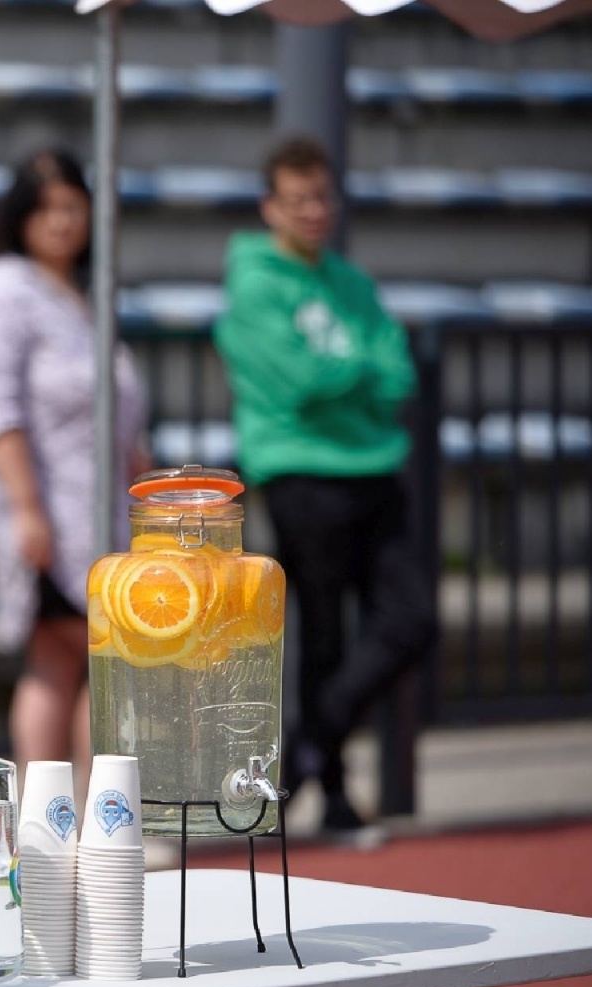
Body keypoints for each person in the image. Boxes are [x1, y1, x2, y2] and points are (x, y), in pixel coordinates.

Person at [214, 135, 436, 832]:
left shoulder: (350, 281)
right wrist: (359, 373)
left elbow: (399, 373)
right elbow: (301, 381)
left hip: (373, 466)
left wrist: (352, 377)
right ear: (270, 207)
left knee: (409, 620)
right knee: (322, 636)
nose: (314, 211)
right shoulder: (253, 286)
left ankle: (311, 743)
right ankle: (333, 793)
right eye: (298, 199)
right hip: (301, 471)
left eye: (322, 197)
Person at [0, 149, 150, 794]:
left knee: (71, 661)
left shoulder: (80, 297)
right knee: (91, 658)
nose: (63, 221)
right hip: (50, 509)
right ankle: (75, 815)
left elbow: (123, 421)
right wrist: (25, 509)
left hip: (100, 513)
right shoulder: (2, 289)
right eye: (47, 208)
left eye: (73, 206)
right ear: (20, 216)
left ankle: (66, 817)